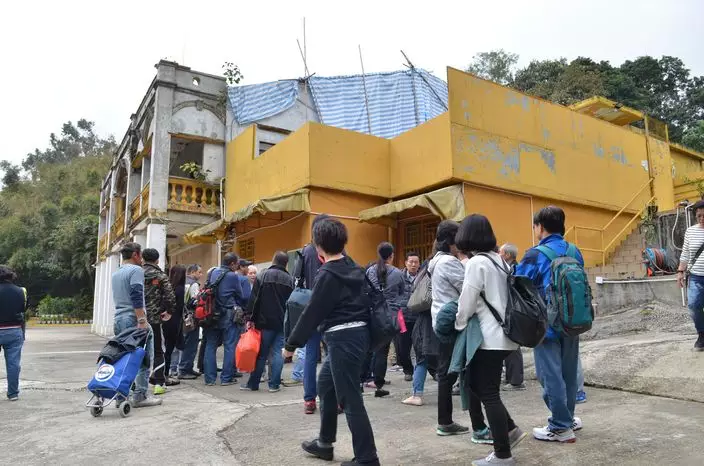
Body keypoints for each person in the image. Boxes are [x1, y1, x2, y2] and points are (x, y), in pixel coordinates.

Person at [283, 217, 379, 466]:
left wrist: (291, 345)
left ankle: (367, 458)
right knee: (326, 385)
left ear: (318, 246)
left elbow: (312, 313)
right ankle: (325, 443)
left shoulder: (327, 274)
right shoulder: (353, 267)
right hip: (357, 337)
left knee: (350, 398)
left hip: (343, 339)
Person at [455, 215, 527, 466]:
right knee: (479, 386)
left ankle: (503, 454)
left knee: (487, 392)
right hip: (505, 336)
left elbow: (467, 300)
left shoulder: (476, 263)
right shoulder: (500, 260)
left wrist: (458, 324)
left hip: (488, 338)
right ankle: (510, 429)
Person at [515, 206, 584, 443]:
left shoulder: (535, 254)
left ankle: (560, 427)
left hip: (547, 326)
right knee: (569, 374)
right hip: (574, 320)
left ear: (540, 227)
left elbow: (518, 283)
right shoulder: (574, 250)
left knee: (550, 376)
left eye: (535, 226)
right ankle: (568, 418)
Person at [429, 220, 475, 436]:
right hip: (450, 322)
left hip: (441, 320)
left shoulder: (436, 260)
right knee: (448, 373)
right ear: (450, 241)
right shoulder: (448, 262)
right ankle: (445, 421)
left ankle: (445, 421)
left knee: (446, 372)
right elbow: (468, 288)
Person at [111, 242, 161, 407]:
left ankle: (121, 396)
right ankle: (140, 396)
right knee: (143, 357)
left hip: (119, 319)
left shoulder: (116, 273)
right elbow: (136, 294)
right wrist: (141, 320)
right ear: (135, 255)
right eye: (140, 255)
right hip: (133, 318)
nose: (142, 259)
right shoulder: (136, 270)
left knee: (123, 358)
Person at [242, 252, 294, 392]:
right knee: (277, 352)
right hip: (281, 322)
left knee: (261, 354)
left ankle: (253, 384)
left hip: (263, 322)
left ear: (273, 260)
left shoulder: (263, 275)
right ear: (286, 264)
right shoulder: (289, 279)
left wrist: (249, 317)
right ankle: (274, 385)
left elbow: (254, 299)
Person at [364, 242, 405, 398]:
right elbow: (402, 292)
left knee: (369, 348)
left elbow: (365, 290)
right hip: (390, 315)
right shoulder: (397, 273)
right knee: (383, 349)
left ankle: (363, 379)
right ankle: (378, 383)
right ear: (391, 255)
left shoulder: (370, 271)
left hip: (373, 313)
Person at [299, 214, 330, 414]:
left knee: (310, 356)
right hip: (331, 311)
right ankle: (333, 398)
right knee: (332, 355)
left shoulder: (306, 251)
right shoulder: (336, 250)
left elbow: (297, 279)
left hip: (310, 309)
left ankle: (309, 400)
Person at [204, 253, 246, 386]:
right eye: (237, 264)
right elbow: (241, 295)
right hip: (227, 313)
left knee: (210, 345)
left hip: (211, 313)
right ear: (232, 264)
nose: (237, 266)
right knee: (229, 346)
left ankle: (209, 379)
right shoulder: (232, 276)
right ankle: (226, 378)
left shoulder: (213, 272)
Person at [142, 248, 177, 395]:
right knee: (157, 350)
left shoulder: (136, 273)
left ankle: (133, 384)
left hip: (137, 318)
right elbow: (170, 296)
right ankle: (158, 384)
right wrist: (169, 312)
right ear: (157, 260)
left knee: (136, 350)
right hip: (154, 320)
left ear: (143, 259)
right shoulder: (161, 276)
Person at [677, 199, 704, 351]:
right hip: (696, 276)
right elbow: (685, 253)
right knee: (694, 306)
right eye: (699, 216)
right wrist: (680, 272)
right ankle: (702, 334)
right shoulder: (690, 232)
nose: (702, 219)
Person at [498, 244, 526, 392]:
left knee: (513, 345)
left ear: (508, 255)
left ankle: (516, 381)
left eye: (500, 252)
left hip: (512, 311)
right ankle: (512, 378)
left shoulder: (513, 270)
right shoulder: (513, 268)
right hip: (513, 310)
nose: (498, 254)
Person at [0, 265, 26, 401]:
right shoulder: (20, 291)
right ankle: (13, 393)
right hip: (14, 330)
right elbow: (23, 309)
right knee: (13, 364)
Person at [396, 252, 420, 382]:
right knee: (403, 348)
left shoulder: (423, 277)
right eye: (411, 262)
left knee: (421, 346)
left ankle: (431, 370)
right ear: (406, 263)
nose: (413, 264)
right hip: (403, 317)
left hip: (418, 317)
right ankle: (408, 371)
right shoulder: (399, 277)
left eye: (416, 262)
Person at [178, 264, 203, 379]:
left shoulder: (183, 282)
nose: (201, 275)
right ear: (192, 272)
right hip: (191, 317)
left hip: (183, 316)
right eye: (199, 272)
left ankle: (187, 368)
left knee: (186, 342)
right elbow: (196, 301)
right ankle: (184, 369)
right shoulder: (194, 284)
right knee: (191, 344)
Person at [165, 264, 187, 379]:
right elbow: (179, 307)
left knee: (166, 348)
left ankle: (166, 371)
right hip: (175, 320)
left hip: (165, 319)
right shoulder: (180, 289)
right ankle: (168, 372)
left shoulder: (168, 287)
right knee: (172, 347)